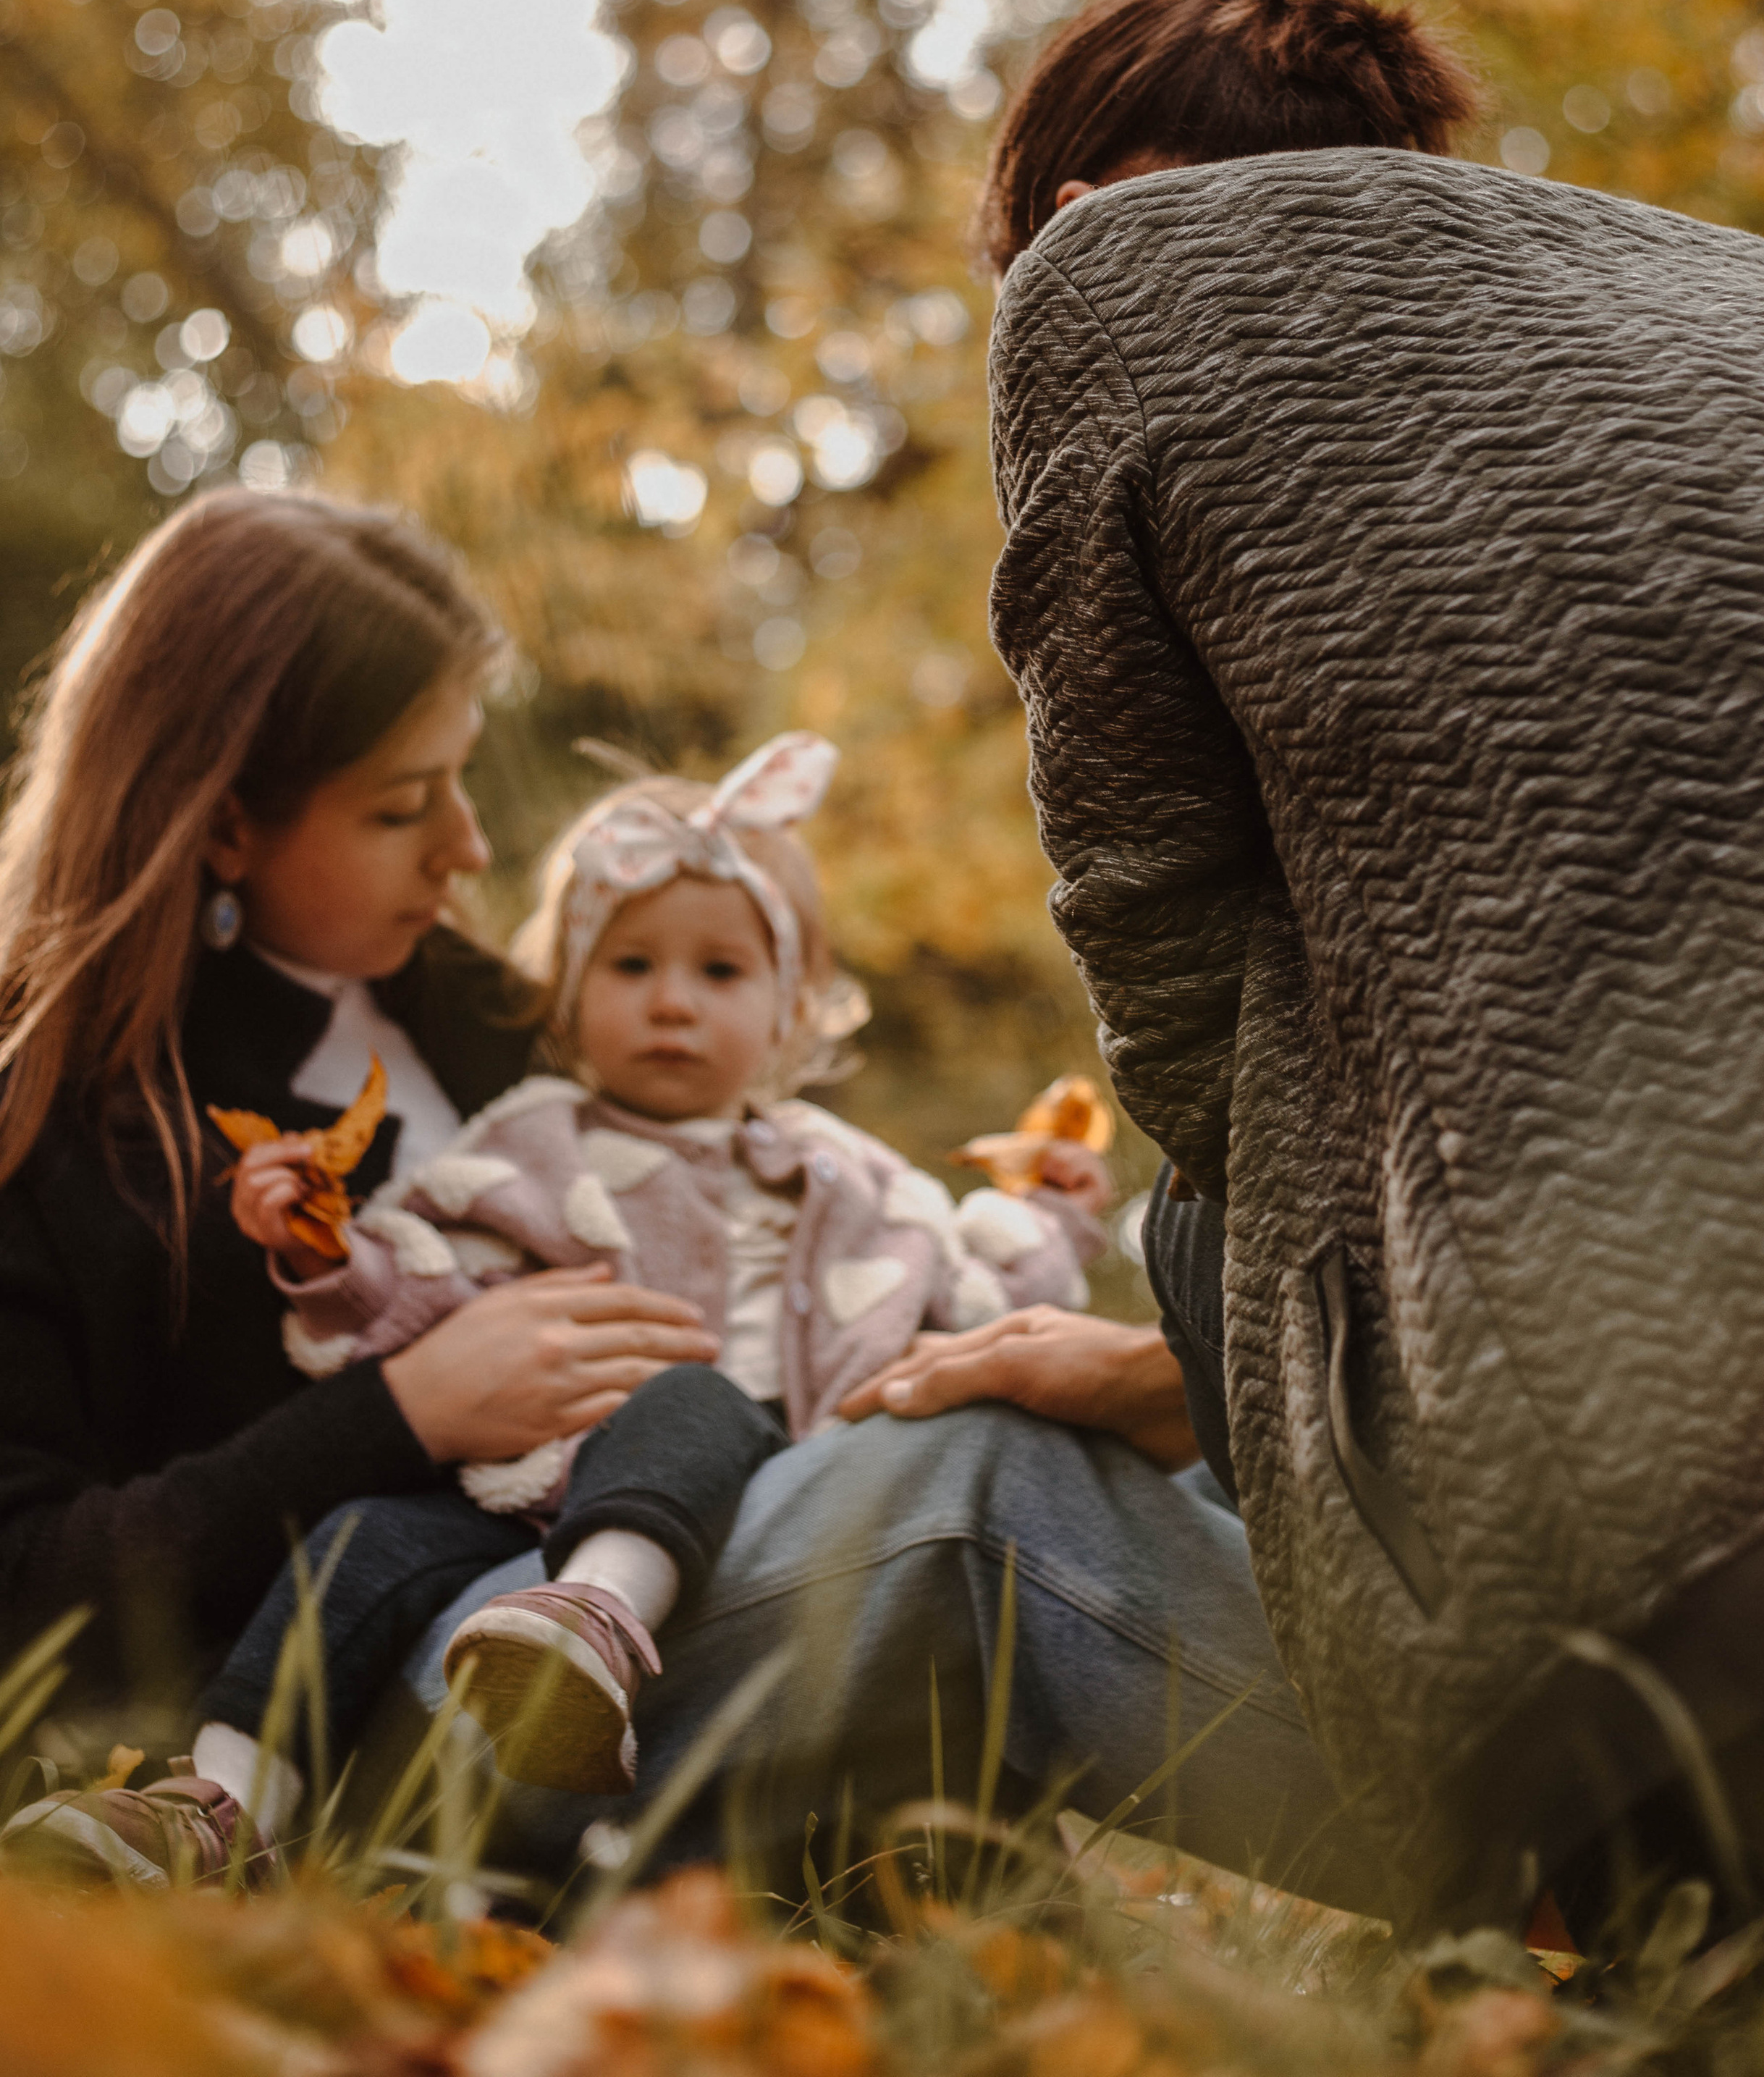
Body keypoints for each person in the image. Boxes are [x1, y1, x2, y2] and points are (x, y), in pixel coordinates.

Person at [978, 0, 1764, 1934]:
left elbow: (1155, 924)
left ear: (1081, 200)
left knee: (1230, 1140)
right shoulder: (1759, 289)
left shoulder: (1105, 281)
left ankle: (1546, 1862)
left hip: (1726, 1467)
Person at [0, 491, 722, 1884]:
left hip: (661, 1567)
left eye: (461, 781)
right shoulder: (54, 1130)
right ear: (221, 831)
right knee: (946, 1507)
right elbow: (31, 1591)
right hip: (355, 1702)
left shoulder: (506, 1017)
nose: (471, 848)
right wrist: (400, 1411)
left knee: (953, 1470)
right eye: (403, 808)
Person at [211, 732, 1107, 1803]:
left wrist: (1048, 1217)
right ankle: (221, 1801)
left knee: (695, 1400)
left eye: (719, 970)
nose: (672, 1001)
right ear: (570, 992)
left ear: (790, 1003)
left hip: (771, 1504)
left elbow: (982, 1300)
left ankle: (597, 1616)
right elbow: (426, 1294)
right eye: (632, 966)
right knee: (357, 1543)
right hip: (524, 1510)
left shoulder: (848, 1176)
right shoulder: (533, 1145)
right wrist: (329, 1252)